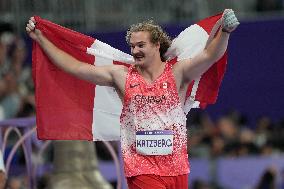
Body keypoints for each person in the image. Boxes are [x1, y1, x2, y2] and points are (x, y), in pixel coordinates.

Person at [26, 9, 239, 189]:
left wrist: (226, 32)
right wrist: (42, 40)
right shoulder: (121, 76)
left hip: (177, 168)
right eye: (132, 46)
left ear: (157, 45)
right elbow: (75, 67)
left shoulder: (177, 73)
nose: (135, 51)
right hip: (141, 170)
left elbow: (210, 55)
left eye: (140, 45)